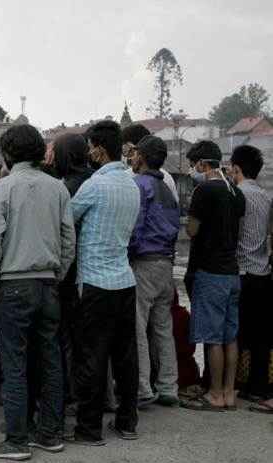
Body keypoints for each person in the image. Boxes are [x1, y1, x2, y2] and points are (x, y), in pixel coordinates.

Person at [0, 125, 75, 461]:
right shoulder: (58, 190)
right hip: (48, 283)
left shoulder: (0, 190)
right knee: (50, 360)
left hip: (12, 284)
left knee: (14, 362)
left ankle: (16, 440)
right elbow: (68, 241)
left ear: (7, 155)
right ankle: (49, 434)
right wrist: (56, 276)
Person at [68, 120, 141, 445]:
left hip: (95, 283)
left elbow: (66, 218)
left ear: (98, 148)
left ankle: (89, 428)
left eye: (91, 146)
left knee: (92, 357)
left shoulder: (94, 186)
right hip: (125, 280)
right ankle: (127, 422)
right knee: (125, 357)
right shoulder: (132, 185)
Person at [180, 141, 246, 412]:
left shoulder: (204, 189)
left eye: (194, 165)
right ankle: (229, 393)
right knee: (230, 335)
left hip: (210, 272)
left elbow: (192, 231)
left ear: (202, 164)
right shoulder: (236, 192)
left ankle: (215, 393)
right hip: (233, 272)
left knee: (212, 337)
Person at [129, 136, 181, 407]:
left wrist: (130, 252)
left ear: (143, 157)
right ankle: (169, 385)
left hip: (145, 263)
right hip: (166, 263)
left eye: (136, 153)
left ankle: (142, 387)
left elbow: (136, 227)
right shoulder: (167, 189)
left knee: (138, 327)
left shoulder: (140, 185)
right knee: (163, 327)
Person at [50, 133, 94, 407]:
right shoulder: (94, 181)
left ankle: (68, 393)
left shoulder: (67, 188)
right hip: (93, 274)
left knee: (66, 338)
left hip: (70, 273)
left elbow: (62, 234)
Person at [229, 145, 272, 403]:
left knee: (238, 333)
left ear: (236, 168)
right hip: (263, 273)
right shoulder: (266, 197)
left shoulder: (237, 195)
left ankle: (235, 384)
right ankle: (258, 386)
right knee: (261, 336)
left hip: (242, 272)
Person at [122, 124, 179, 203]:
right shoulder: (167, 177)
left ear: (137, 151)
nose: (125, 155)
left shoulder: (125, 177)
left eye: (126, 149)